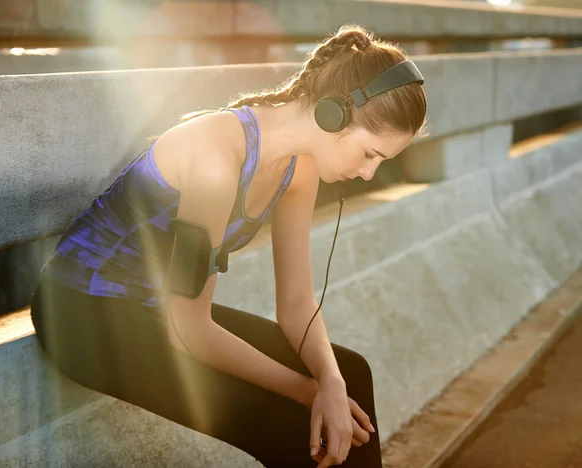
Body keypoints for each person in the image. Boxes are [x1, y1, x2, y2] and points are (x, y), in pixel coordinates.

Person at [30, 24, 427, 468]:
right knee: (291, 419)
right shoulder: (216, 160)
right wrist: (309, 391)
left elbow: (296, 304)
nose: (369, 173)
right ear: (331, 114)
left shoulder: (300, 169)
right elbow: (191, 330)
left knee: (351, 375)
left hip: (160, 308)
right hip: (83, 311)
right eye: (370, 153)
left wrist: (330, 382)